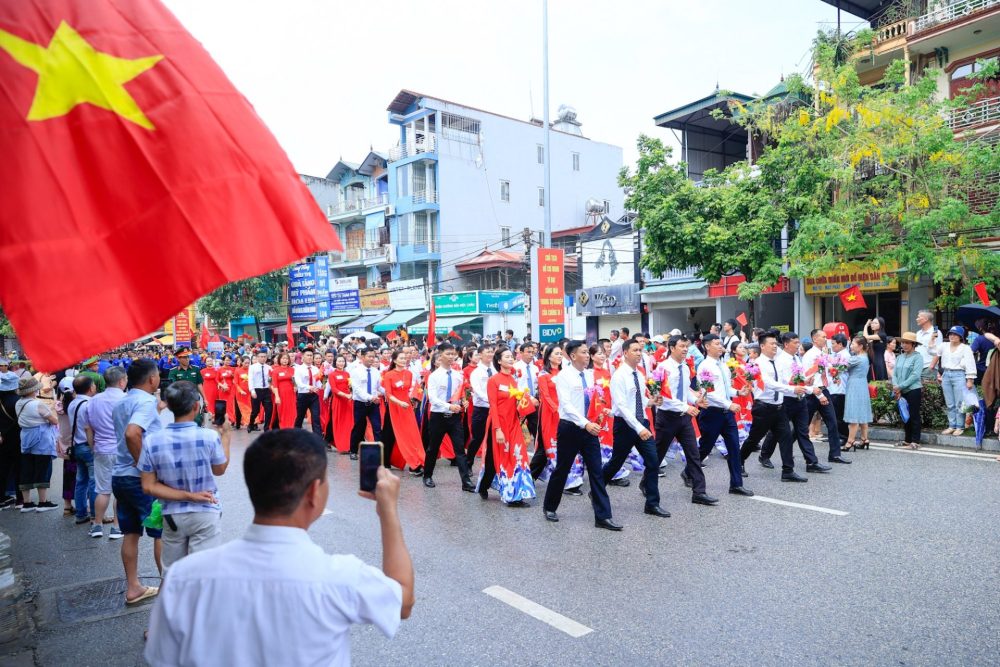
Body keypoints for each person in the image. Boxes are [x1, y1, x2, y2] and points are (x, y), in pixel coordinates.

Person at [144, 430, 414, 666]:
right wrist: (388, 510)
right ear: (314, 492)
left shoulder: (183, 577)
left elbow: (163, 658)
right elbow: (403, 600)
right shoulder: (341, 576)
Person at [139, 381, 231, 571]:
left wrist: (187, 496)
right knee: (203, 572)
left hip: (172, 514)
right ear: (196, 406)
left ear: (169, 406)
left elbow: (148, 486)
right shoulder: (209, 437)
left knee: (173, 574)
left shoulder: (152, 441)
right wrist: (226, 436)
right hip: (206, 511)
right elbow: (219, 469)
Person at [541, 341, 621, 530]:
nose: (587, 355)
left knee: (596, 472)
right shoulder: (564, 376)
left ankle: (603, 516)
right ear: (573, 356)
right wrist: (585, 423)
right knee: (562, 469)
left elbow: (595, 400)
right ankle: (549, 507)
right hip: (570, 428)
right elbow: (566, 406)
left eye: (587, 352)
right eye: (584, 352)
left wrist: (602, 414)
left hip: (590, 429)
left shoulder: (590, 375)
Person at [111, 359, 163, 606]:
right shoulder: (146, 401)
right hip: (138, 478)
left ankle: (133, 587)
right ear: (152, 379)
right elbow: (132, 433)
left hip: (120, 476)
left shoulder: (123, 401)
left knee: (130, 533)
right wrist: (145, 467)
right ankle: (170, 588)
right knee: (162, 532)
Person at [601, 337, 670, 516]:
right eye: (635, 350)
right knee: (616, 462)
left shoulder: (638, 374)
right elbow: (622, 406)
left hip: (641, 422)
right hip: (626, 425)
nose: (639, 353)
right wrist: (639, 428)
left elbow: (639, 400)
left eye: (640, 350)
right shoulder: (619, 376)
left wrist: (651, 402)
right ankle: (597, 489)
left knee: (653, 461)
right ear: (625, 353)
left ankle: (652, 504)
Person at [654, 335, 720, 505]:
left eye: (686, 346)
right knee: (657, 456)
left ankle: (699, 492)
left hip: (684, 419)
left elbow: (685, 392)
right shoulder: (663, 368)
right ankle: (646, 483)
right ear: (672, 348)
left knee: (693, 455)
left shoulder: (685, 367)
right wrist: (686, 407)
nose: (685, 349)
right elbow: (663, 397)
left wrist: (696, 400)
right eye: (682, 346)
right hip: (667, 418)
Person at [738, 330, 810, 482]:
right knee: (754, 439)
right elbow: (769, 383)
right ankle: (739, 461)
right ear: (762, 346)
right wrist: (792, 389)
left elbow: (784, 381)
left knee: (786, 438)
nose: (775, 346)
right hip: (763, 408)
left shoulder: (777, 362)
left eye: (776, 344)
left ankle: (788, 471)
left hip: (779, 407)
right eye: (771, 344)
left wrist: (805, 386)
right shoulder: (758, 363)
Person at [696, 334, 755, 496]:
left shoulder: (723, 365)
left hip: (727, 414)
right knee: (705, 447)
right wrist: (729, 404)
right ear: (707, 346)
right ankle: (688, 471)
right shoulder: (705, 366)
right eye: (716, 344)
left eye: (721, 344)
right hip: (712, 413)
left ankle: (736, 484)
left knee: (734, 448)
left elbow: (725, 388)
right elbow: (708, 393)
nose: (720, 347)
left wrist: (738, 392)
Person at [476, 348, 536, 506]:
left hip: (514, 423)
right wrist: (498, 429)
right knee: (495, 459)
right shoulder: (493, 380)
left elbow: (516, 403)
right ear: (499, 361)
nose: (511, 359)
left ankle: (515, 494)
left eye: (512, 356)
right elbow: (493, 406)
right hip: (498, 424)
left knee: (517, 455)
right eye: (507, 357)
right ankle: (486, 486)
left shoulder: (513, 380)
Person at [422, 343, 474, 491]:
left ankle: (466, 482)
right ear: (440, 355)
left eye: (453, 354)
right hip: (438, 417)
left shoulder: (458, 375)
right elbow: (432, 399)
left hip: (454, 418)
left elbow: (460, 394)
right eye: (448, 354)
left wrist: (463, 401)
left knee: (460, 450)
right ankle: (427, 476)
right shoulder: (434, 376)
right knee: (433, 448)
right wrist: (448, 406)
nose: (451, 357)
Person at [83, 366, 126, 539]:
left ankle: (97, 525)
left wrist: (93, 446)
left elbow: (88, 428)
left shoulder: (93, 400)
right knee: (120, 491)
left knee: (102, 490)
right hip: (122, 450)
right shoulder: (126, 399)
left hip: (101, 448)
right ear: (121, 381)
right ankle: (116, 527)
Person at [802, 329, 850, 464]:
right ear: (815, 339)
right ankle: (781, 449)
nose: (826, 339)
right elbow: (808, 376)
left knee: (832, 423)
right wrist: (819, 395)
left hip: (824, 390)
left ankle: (835, 455)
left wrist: (834, 376)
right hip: (813, 393)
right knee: (802, 426)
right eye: (823, 337)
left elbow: (826, 369)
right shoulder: (810, 355)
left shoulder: (823, 353)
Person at [15, 376, 60, 512]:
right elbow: (54, 420)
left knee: (26, 469)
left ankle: (27, 503)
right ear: (32, 391)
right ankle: (42, 502)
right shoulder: (37, 404)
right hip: (41, 439)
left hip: (26, 438)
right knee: (43, 468)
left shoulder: (19, 403)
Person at [381, 350, 425, 471]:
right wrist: (399, 402)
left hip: (406, 407)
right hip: (394, 407)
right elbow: (388, 394)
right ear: (395, 360)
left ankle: (415, 461)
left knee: (410, 434)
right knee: (389, 435)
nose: (404, 360)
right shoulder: (388, 374)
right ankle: (385, 460)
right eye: (401, 358)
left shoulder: (409, 373)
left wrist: (413, 399)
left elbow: (410, 389)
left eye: (405, 358)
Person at [68, 375, 99, 529]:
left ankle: (81, 514)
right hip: (88, 446)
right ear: (90, 388)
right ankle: (95, 515)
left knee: (81, 481)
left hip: (77, 445)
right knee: (94, 482)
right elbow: (93, 427)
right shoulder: (89, 404)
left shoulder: (73, 403)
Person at [938, 325, 977, 435]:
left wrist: (970, 380)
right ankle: (952, 425)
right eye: (951, 334)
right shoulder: (944, 345)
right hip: (946, 374)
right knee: (949, 403)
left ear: (961, 337)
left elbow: (970, 364)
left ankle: (960, 426)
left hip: (959, 374)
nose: (952, 336)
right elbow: (933, 352)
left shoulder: (965, 348)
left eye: (955, 334)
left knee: (959, 402)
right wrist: (932, 339)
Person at [349, 348, 383, 461]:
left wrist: (388, 393)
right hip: (360, 404)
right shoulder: (356, 371)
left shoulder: (375, 371)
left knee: (377, 428)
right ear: (362, 357)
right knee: (359, 428)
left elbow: (379, 387)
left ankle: (379, 453)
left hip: (373, 405)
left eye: (373, 356)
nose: (372, 359)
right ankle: (353, 451)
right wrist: (370, 397)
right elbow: (357, 389)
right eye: (369, 356)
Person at [892, 332, 925, 449]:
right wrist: (896, 386)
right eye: (903, 343)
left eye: (907, 343)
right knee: (905, 415)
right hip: (901, 390)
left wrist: (900, 386)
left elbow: (915, 375)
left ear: (913, 344)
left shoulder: (918, 357)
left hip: (913, 389)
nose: (904, 345)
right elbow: (894, 374)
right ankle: (907, 440)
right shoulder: (899, 357)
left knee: (914, 415)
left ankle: (915, 441)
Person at [467, 343, 495, 468]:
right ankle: (468, 463)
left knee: (493, 439)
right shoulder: (476, 373)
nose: (490, 354)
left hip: (494, 409)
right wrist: (491, 400)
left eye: (491, 351)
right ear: (480, 355)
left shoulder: (495, 370)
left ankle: (491, 466)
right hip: (481, 410)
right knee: (477, 438)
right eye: (487, 352)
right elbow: (477, 391)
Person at [844, 336, 874, 451]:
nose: (851, 346)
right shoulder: (865, 357)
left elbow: (841, 366)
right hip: (862, 384)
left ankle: (850, 441)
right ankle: (864, 439)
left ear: (860, 346)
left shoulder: (857, 358)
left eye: (852, 344)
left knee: (854, 413)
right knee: (862, 412)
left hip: (855, 385)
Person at [0, 363, 23, 509]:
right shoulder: (18, 401)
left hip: (2, 438)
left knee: (3, 467)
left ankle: (2, 497)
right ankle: (21, 498)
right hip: (18, 437)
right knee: (19, 467)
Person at [292, 350, 323, 435]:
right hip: (303, 396)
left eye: (311, 355)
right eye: (308, 355)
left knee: (316, 418)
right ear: (303, 357)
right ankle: (295, 436)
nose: (310, 357)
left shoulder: (315, 369)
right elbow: (299, 383)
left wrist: (322, 385)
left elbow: (317, 381)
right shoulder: (298, 369)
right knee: (299, 418)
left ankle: (318, 439)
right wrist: (310, 387)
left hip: (314, 396)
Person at [247, 351, 274, 433]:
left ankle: (266, 428)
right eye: (261, 357)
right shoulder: (252, 367)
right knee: (255, 411)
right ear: (258, 357)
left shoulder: (269, 367)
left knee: (269, 410)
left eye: (264, 357)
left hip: (266, 390)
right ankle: (251, 424)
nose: (263, 358)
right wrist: (252, 391)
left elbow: (271, 379)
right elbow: (250, 379)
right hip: (257, 390)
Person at [270, 351, 296, 429]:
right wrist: (277, 396)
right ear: (279, 360)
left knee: (292, 411)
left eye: (286, 358)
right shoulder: (275, 370)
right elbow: (274, 384)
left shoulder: (292, 369)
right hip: (281, 394)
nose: (285, 360)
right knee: (282, 411)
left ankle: (291, 427)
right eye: (283, 358)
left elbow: (295, 380)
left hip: (291, 393)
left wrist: (295, 386)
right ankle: (283, 428)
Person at [914, 310, 941, 382]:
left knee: (927, 388)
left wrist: (931, 367)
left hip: (928, 367)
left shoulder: (935, 331)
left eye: (919, 317)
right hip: (917, 367)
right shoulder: (918, 333)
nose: (917, 319)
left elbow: (938, 351)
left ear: (926, 319)